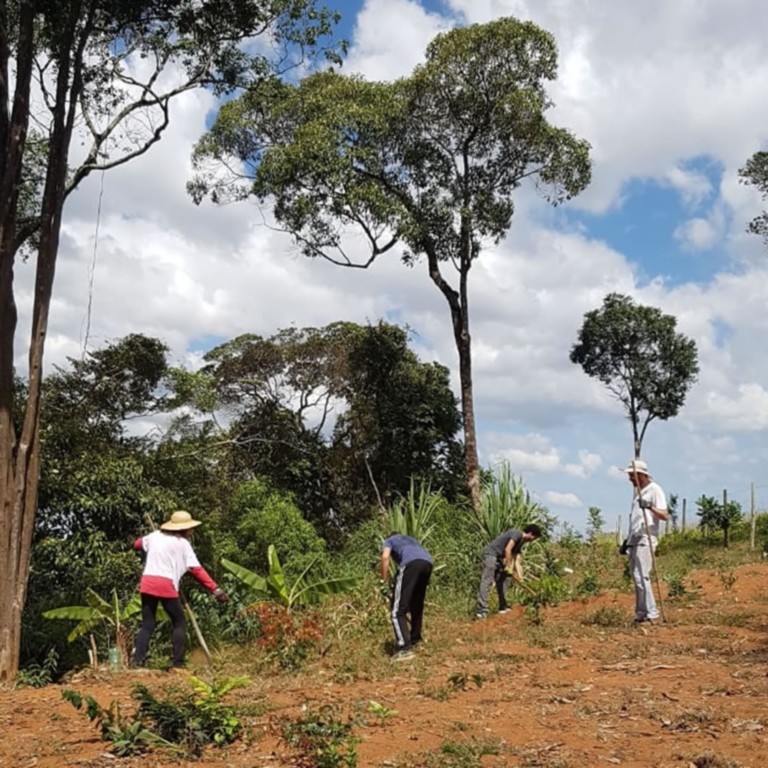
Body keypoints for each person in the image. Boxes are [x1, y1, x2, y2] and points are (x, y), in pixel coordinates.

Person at [132, 510, 228, 670]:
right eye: (190, 529)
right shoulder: (183, 544)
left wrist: (150, 549)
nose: (191, 532)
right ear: (183, 529)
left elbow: (136, 544)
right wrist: (216, 590)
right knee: (179, 622)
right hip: (165, 584)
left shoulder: (154, 536)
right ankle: (178, 664)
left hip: (148, 582)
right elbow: (196, 570)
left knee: (148, 624)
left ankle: (137, 661)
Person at [623, 459, 669, 624]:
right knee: (636, 576)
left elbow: (664, 515)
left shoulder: (654, 489)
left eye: (632, 476)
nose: (630, 479)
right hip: (635, 538)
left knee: (642, 575)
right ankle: (641, 613)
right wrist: (627, 540)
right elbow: (636, 519)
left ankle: (652, 613)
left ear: (641, 475)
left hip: (646, 537)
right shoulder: (639, 493)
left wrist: (649, 506)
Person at [380, 532, 433, 661]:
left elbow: (385, 557)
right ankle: (415, 639)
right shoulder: (410, 540)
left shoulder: (389, 540)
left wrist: (383, 581)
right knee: (416, 605)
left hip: (411, 564)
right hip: (427, 563)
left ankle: (405, 648)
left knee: (397, 611)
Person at [475, 524, 542, 619]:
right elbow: (508, 549)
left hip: (500, 558)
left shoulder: (521, 542)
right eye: (534, 538)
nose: (532, 540)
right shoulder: (517, 534)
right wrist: (507, 566)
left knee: (504, 580)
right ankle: (482, 610)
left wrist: (521, 578)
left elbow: (517, 561)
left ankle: (502, 607)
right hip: (491, 554)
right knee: (487, 580)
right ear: (531, 533)